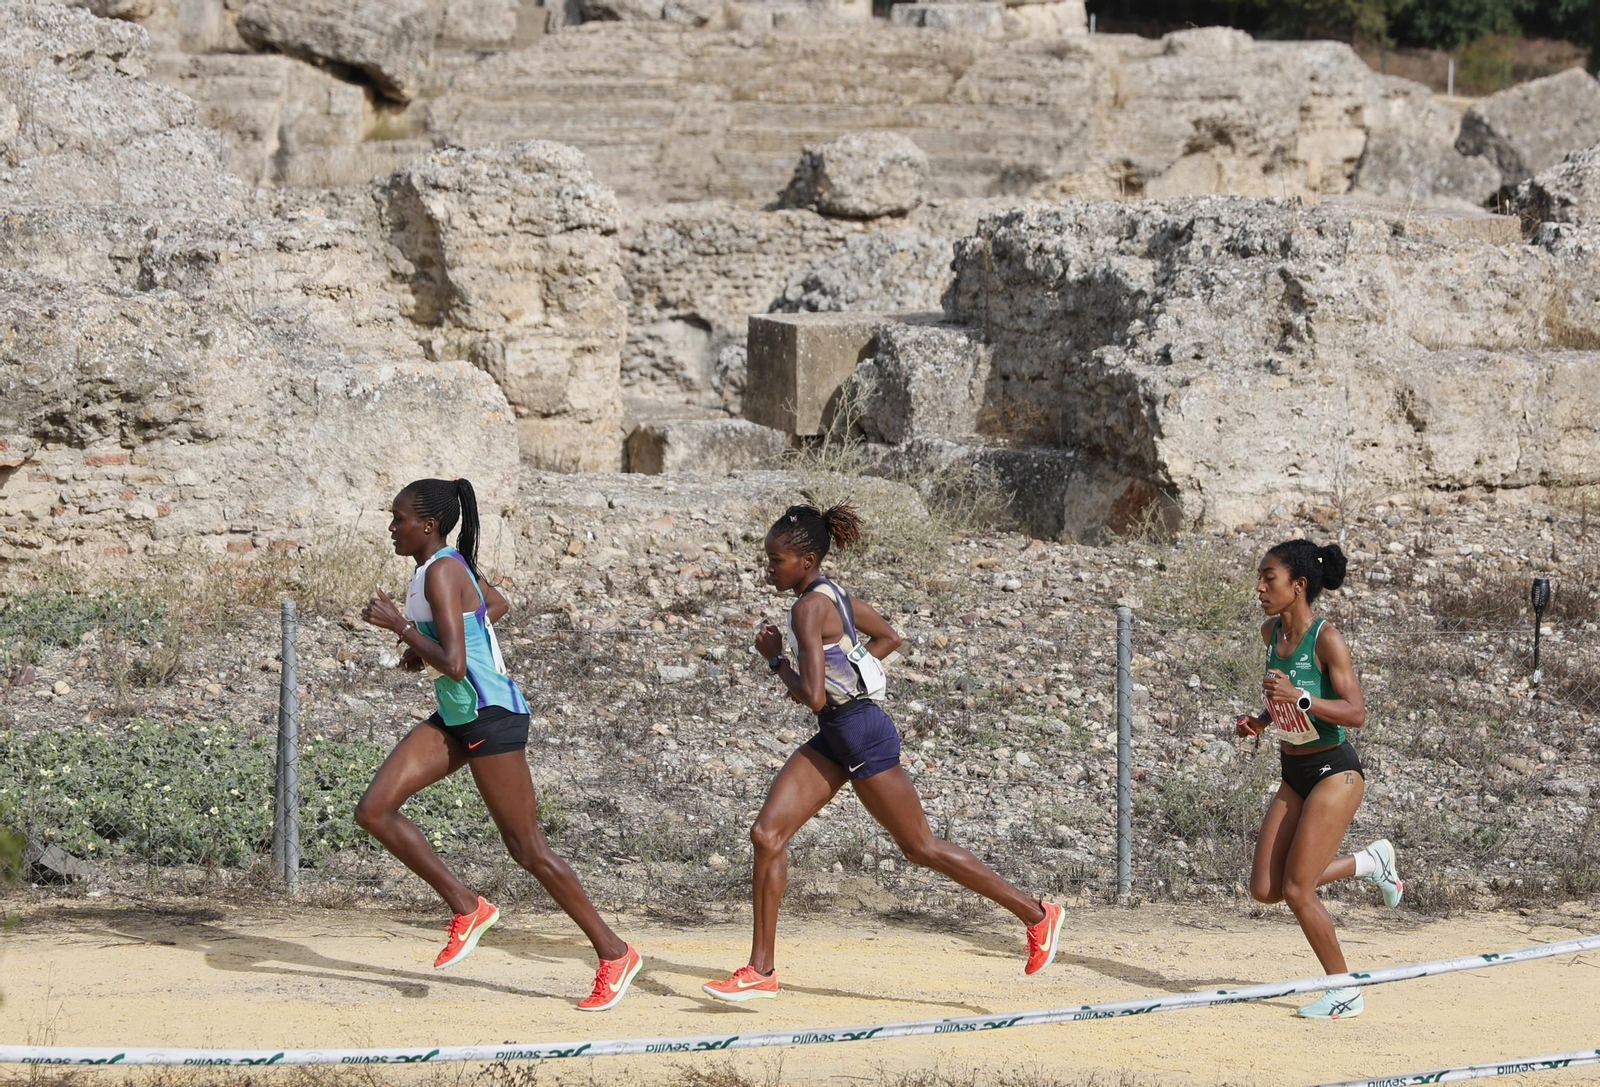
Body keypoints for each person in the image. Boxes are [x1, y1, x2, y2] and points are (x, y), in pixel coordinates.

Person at [702, 502, 1064, 1002]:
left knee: (920, 848)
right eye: (767, 560)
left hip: (862, 735)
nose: (768, 569)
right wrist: (849, 675)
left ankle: (1038, 915)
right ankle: (760, 970)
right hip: (837, 735)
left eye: (775, 561)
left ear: (805, 560)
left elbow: (811, 695)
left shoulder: (808, 606)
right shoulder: (834, 594)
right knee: (767, 835)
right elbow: (888, 637)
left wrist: (775, 660)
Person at [358, 477, 641, 1011]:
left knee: (526, 848)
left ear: (429, 525)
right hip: (458, 713)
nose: (391, 528)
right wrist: (435, 642)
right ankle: (467, 907)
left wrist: (403, 629)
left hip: (491, 714)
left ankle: (615, 952)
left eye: (398, 520)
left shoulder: (442, 570)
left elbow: (459, 664)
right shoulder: (433, 569)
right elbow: (495, 605)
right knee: (374, 810)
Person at [1235, 539, 1403, 1020]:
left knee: (1297, 890)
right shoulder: (1271, 632)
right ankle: (1370, 863)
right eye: (1260, 578)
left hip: (1336, 770)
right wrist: (1261, 721)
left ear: (1299, 585)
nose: (1261, 588)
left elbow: (1356, 712)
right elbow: (1281, 697)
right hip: (1294, 770)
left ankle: (1345, 989)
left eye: (1270, 578)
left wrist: (1301, 697)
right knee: (1266, 889)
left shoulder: (1327, 638)